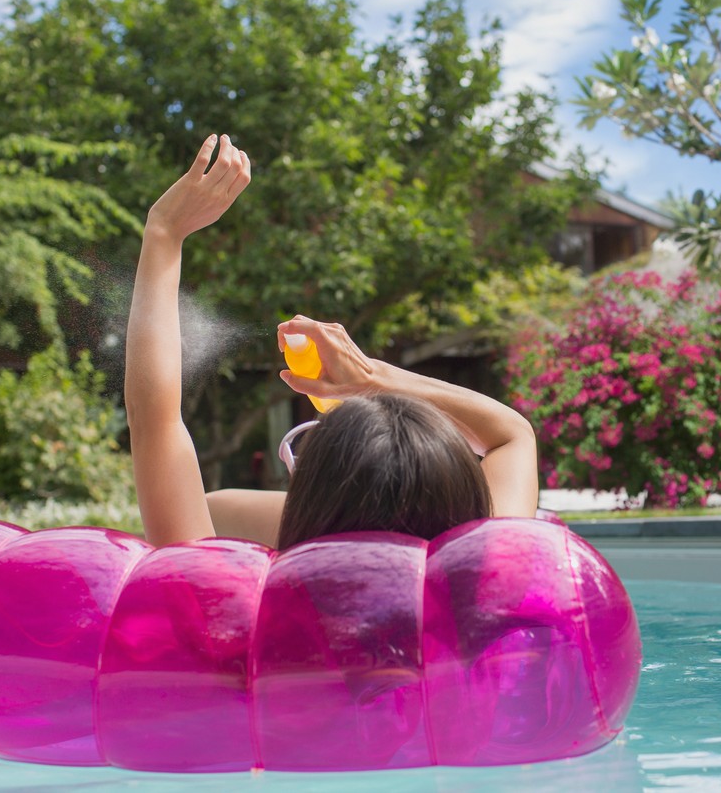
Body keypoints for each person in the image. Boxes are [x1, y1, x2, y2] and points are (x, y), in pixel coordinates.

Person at [125, 134, 539, 549]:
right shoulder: (487, 563)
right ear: (465, 502)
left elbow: (154, 421)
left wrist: (164, 231)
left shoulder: (221, 592)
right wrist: (370, 377)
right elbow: (512, 434)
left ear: (309, 501)